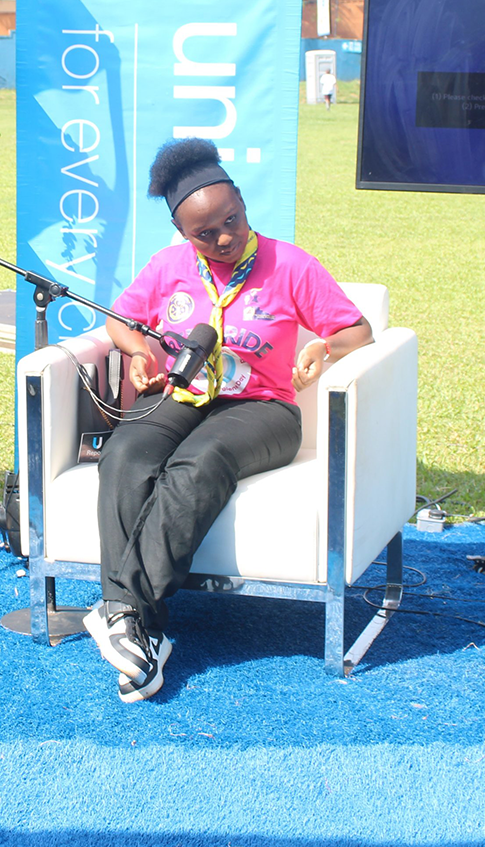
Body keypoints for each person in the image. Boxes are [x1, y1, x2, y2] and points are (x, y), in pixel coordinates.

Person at [83, 138, 375, 702]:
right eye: (205, 233)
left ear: (242, 203)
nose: (223, 237)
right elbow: (123, 320)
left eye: (231, 221)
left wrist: (325, 349)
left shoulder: (290, 264)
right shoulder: (170, 265)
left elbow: (357, 330)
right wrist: (140, 350)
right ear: (181, 233)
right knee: (125, 453)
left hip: (263, 409)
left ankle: (120, 608)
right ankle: (140, 634)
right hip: (181, 394)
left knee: (200, 461)